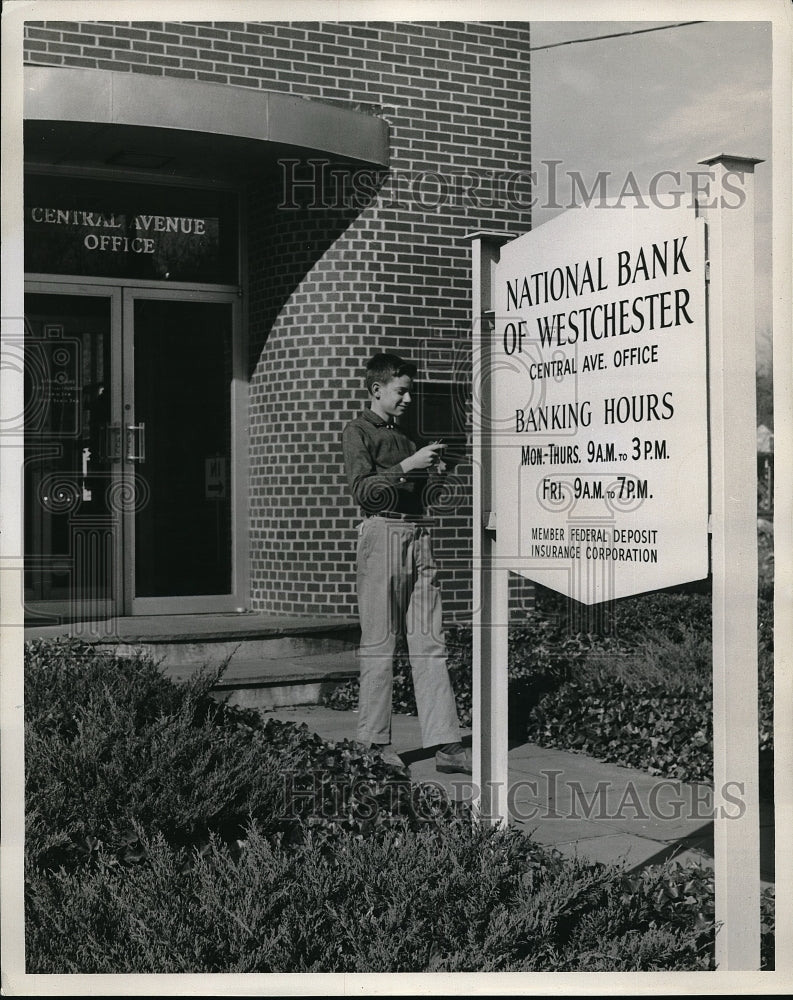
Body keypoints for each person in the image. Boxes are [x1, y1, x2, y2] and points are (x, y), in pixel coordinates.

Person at [342, 352, 472, 774]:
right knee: (381, 643)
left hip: (419, 535)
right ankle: (373, 744)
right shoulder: (358, 431)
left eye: (410, 391)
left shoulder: (409, 434)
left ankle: (446, 745)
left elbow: (427, 493)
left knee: (429, 643)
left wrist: (438, 470)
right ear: (376, 389)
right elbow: (363, 491)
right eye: (401, 391)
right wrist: (408, 465)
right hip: (383, 535)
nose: (408, 399)